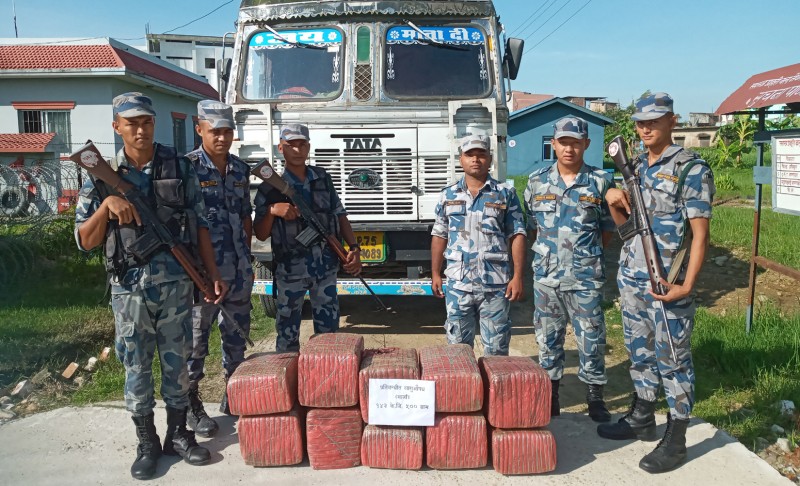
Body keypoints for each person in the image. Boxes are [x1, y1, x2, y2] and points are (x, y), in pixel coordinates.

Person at [75, 93, 228, 479]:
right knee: (137, 367)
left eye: (146, 121)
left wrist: (211, 275)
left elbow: (201, 226)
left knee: (176, 365)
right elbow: (84, 240)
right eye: (131, 123)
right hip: (130, 291)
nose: (140, 129)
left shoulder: (179, 166)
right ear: (117, 127)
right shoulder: (102, 173)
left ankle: (178, 435)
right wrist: (106, 205)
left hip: (177, 287)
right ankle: (147, 442)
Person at [597, 92, 715, 474]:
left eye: (654, 120)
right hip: (633, 277)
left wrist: (688, 284)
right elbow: (626, 229)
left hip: (668, 283)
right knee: (639, 350)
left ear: (672, 121)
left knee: (674, 360)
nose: (645, 127)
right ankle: (642, 416)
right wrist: (613, 197)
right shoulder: (634, 168)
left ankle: (677, 437)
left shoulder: (690, 168)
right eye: (640, 122)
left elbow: (700, 236)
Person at [523, 116, 615, 422]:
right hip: (547, 279)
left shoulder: (601, 182)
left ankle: (595, 396)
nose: (569, 149)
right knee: (548, 338)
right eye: (563, 142)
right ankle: (551, 395)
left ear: (586, 144)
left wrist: (584, 256)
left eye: (576, 143)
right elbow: (533, 227)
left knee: (592, 338)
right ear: (553, 143)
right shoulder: (536, 182)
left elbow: (606, 231)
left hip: (585, 277)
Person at [253, 124, 362, 351]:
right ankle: (289, 378)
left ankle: (325, 375)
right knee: (287, 332)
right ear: (280, 148)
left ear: (308, 147)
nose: (297, 150)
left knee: (329, 334)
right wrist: (273, 210)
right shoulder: (270, 188)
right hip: (290, 270)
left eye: (302, 144)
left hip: (325, 267)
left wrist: (353, 247)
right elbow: (261, 234)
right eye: (291, 145)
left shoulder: (322, 178)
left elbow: (340, 215)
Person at [184, 100, 254, 436]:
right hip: (203, 275)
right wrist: (198, 273)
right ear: (200, 129)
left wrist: (247, 258)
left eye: (227, 131)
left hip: (238, 269)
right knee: (196, 339)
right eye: (215, 131)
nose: (222, 138)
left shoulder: (241, 170)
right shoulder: (187, 169)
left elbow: (245, 217)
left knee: (236, 338)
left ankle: (234, 395)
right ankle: (190, 404)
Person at [431, 134, 526, 356]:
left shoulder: (505, 194)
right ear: (460, 159)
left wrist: (518, 276)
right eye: (469, 155)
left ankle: (493, 391)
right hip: (458, 283)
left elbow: (517, 234)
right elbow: (439, 234)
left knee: (496, 350)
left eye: (481, 154)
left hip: (494, 284)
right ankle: (465, 392)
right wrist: (435, 273)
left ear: (490, 159)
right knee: (458, 350)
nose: (476, 159)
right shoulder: (447, 195)